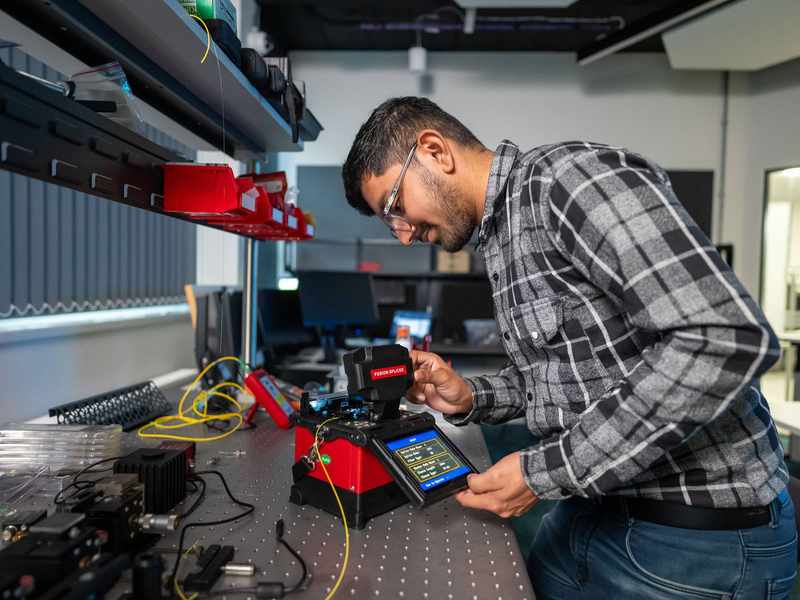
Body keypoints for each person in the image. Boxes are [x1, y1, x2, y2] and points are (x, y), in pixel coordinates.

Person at [341, 96, 797, 599]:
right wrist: (471, 396)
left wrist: (545, 472)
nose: (403, 235)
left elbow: (721, 339)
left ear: (434, 151)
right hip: (586, 511)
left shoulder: (569, 181)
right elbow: (570, 375)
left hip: (691, 540)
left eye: (395, 207)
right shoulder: (500, 236)